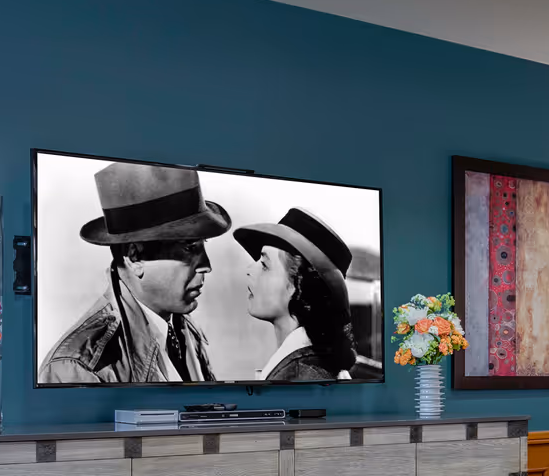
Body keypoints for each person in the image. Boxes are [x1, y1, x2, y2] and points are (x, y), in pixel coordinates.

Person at [40, 162, 228, 384]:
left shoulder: (185, 332)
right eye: (189, 247)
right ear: (135, 256)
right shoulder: (79, 367)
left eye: (202, 245)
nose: (207, 265)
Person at [234, 207, 358, 382]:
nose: (249, 270)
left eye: (264, 264)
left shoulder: (300, 376)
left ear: (298, 286)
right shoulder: (306, 365)